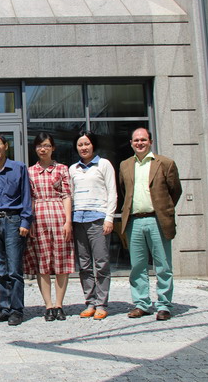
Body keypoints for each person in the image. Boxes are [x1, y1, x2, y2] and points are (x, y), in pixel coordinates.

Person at [120, 127, 182, 321]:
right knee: (138, 266)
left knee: (163, 265)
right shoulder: (125, 165)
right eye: (136, 140)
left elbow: (175, 191)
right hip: (134, 221)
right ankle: (142, 304)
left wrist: (164, 210)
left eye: (143, 140)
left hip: (157, 220)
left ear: (150, 142)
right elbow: (124, 191)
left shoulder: (165, 163)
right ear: (131, 143)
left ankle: (164, 305)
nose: (139, 143)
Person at [0, 133, 32, 327]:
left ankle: (16, 310)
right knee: (0, 269)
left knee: (14, 270)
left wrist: (25, 222)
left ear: (6, 146)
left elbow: (26, 196)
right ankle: (4, 308)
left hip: (13, 220)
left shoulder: (19, 168)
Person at [25, 133, 73, 322]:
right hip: (39, 219)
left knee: (61, 262)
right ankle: (48, 305)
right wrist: (29, 221)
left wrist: (68, 221)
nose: (42, 149)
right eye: (39, 146)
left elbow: (66, 195)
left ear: (53, 148)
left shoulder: (62, 169)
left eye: (46, 145)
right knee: (42, 263)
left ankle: (59, 304)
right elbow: (29, 198)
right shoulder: (30, 171)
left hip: (59, 217)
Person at [69, 131, 117, 320]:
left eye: (87, 144)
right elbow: (71, 195)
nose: (84, 147)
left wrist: (109, 218)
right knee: (85, 265)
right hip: (78, 220)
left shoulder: (104, 164)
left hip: (98, 219)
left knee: (101, 263)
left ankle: (101, 304)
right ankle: (90, 302)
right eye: (80, 144)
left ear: (93, 145)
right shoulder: (73, 169)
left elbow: (112, 192)